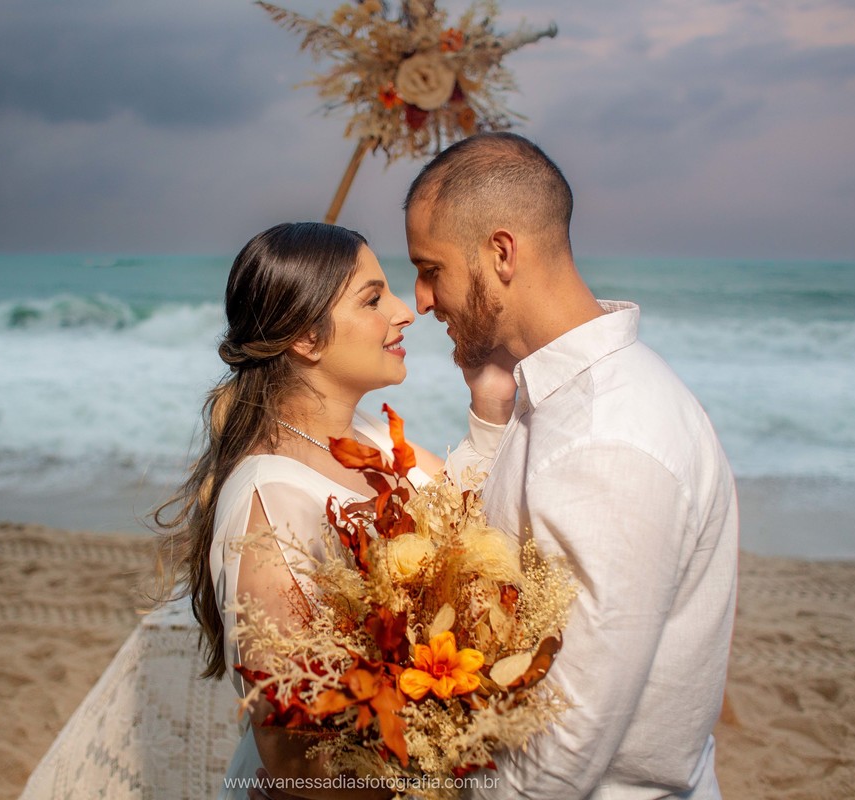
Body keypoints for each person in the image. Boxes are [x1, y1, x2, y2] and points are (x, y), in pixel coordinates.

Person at [400, 132, 739, 799]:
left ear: (500, 252)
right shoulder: (563, 399)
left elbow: (569, 737)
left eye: (429, 267)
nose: (421, 299)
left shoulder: (605, 439)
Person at [153, 221, 506, 799]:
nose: (404, 311)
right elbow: (292, 757)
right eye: (373, 298)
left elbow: (471, 510)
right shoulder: (268, 505)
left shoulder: (367, 433)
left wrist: (488, 406)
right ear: (305, 339)